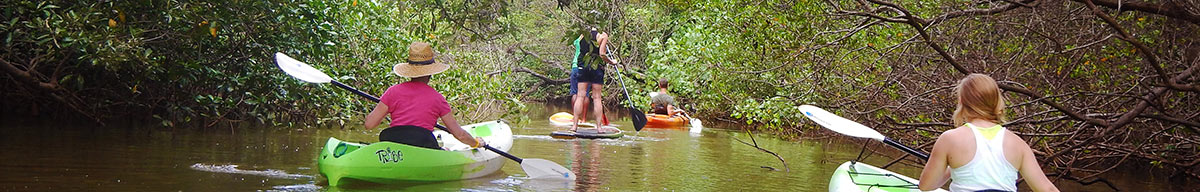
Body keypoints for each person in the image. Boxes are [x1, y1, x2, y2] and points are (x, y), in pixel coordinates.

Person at [918, 74, 1058, 192]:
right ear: (996, 101)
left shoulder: (949, 139)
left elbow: (926, 186)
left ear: (961, 101)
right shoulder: (1018, 144)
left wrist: (951, 168)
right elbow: (1047, 189)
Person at [364, 42, 483, 150]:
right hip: (423, 148)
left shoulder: (392, 92)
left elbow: (369, 124)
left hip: (394, 147)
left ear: (409, 71)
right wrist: (476, 143)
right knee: (445, 150)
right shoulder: (438, 99)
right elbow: (460, 135)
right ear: (431, 72)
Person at [569, 27, 617, 132]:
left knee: (580, 95)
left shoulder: (582, 34)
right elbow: (602, 54)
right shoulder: (603, 35)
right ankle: (599, 128)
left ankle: (574, 126)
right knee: (597, 98)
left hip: (583, 67)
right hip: (597, 68)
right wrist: (611, 61)